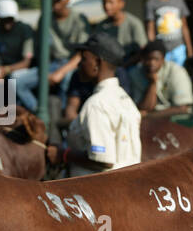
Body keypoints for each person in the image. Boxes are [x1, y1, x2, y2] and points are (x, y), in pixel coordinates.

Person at [46, 33, 141, 176]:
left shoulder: (97, 104)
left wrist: (63, 155)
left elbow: (104, 160)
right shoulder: (124, 99)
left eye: (83, 59)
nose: (79, 65)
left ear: (97, 63)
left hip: (101, 191)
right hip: (128, 184)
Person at [0, 0, 37, 114]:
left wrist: (6, 70)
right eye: (4, 19)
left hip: (21, 70)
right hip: (1, 72)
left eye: (10, 19)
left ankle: (35, 114)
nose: (7, 23)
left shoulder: (25, 30)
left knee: (16, 80)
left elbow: (26, 62)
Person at [46, 0, 90, 102]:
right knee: (18, 80)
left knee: (68, 79)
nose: (55, 3)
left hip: (72, 65)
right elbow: (41, 51)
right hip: (50, 65)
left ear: (67, 0)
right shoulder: (45, 19)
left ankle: (63, 117)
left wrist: (61, 72)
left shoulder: (80, 19)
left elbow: (82, 53)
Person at [128, 42, 193, 119]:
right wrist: (152, 83)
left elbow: (183, 108)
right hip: (151, 118)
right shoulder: (135, 72)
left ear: (163, 59)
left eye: (156, 59)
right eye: (148, 59)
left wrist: (148, 116)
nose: (151, 63)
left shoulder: (177, 71)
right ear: (142, 59)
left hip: (176, 119)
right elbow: (144, 108)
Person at [145, 0, 193, 67]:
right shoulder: (151, 3)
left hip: (179, 49)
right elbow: (150, 29)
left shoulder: (179, 1)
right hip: (162, 51)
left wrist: (189, 50)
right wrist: (153, 49)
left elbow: (184, 27)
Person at [96, 0, 147, 67]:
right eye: (104, 2)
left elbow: (142, 51)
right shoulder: (102, 26)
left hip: (131, 66)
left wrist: (123, 66)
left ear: (121, 3)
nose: (107, 6)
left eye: (111, 2)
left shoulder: (134, 24)